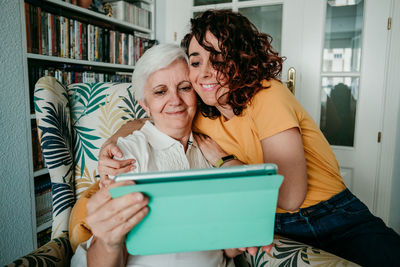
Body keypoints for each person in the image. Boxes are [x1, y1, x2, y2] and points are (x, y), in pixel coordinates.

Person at [95, 10, 400, 267]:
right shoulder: (201, 110)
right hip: (275, 225)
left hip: (334, 215)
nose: (205, 72)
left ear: (241, 58)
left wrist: (225, 161)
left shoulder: (267, 95)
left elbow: (291, 196)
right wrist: (110, 144)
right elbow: (150, 116)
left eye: (218, 58)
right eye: (196, 61)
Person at [71, 43, 250, 267]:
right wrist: (109, 242)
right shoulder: (127, 155)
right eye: (160, 91)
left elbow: (230, 248)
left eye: (184, 88)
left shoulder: (213, 141)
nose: (175, 100)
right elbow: (107, 255)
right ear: (145, 105)